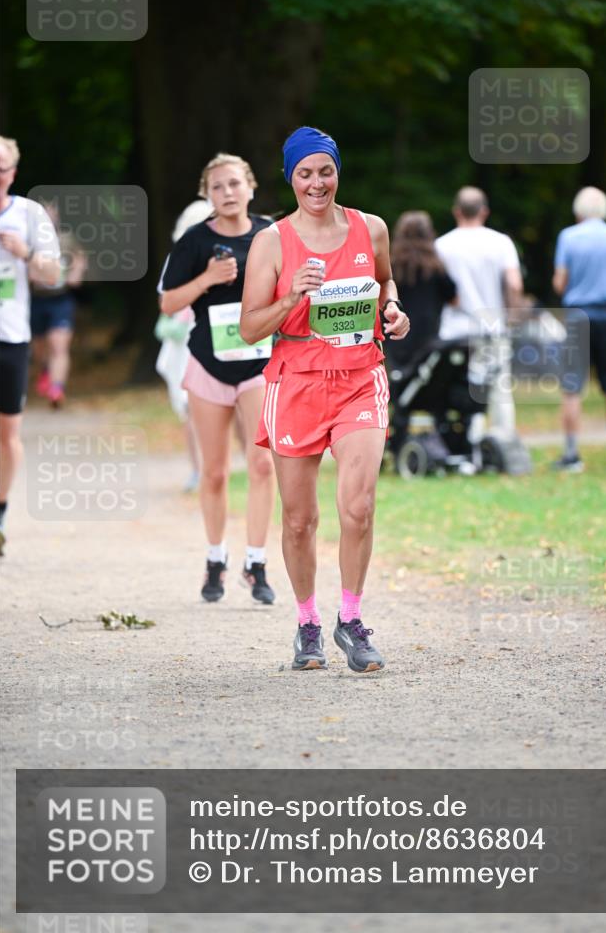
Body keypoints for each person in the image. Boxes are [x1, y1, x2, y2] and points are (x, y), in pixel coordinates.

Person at [240, 126, 410, 673]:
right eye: (305, 173)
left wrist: (394, 311)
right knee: (298, 520)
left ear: (338, 172)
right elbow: (249, 328)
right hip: (295, 382)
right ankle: (308, 623)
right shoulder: (271, 242)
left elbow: (386, 284)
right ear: (290, 178)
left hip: (360, 375)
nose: (317, 183)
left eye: (326, 171)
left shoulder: (371, 228)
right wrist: (292, 295)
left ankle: (351, 621)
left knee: (358, 507)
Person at [159, 153, 276, 604]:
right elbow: (168, 304)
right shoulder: (194, 240)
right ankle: (215, 558)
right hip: (209, 365)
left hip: (259, 363)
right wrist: (207, 278)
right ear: (207, 195)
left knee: (262, 464)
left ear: (251, 187)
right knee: (214, 472)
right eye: (217, 187)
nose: (227, 193)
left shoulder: (271, 234)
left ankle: (256, 562)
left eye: (234, 184)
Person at [0, 134, 61, 557]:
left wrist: (24, 253)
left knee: (7, 432)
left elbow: (53, 274)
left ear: (12, 173)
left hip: (9, 336)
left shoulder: (28, 214)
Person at [552, 186, 606, 473]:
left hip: (578, 316)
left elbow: (560, 283)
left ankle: (572, 455)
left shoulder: (568, 237)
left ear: (578, 211)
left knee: (572, 389)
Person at [434, 187, 523, 437]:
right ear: (484, 211)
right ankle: (503, 441)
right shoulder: (501, 242)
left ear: (456, 212)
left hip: (455, 332)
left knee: (464, 390)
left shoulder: (442, 246)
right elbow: (515, 284)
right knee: (499, 390)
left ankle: (468, 441)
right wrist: (512, 316)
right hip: (493, 328)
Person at [386, 211, 456, 452]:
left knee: (399, 393)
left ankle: (396, 440)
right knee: (429, 389)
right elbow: (453, 297)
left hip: (396, 341)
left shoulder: (392, 266)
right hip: (428, 343)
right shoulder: (435, 267)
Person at [155, 199, 212, 492]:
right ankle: (199, 470)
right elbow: (166, 301)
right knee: (190, 404)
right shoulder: (179, 258)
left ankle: (210, 469)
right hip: (186, 341)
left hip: (213, 338)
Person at [30, 200, 87, 408]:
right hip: (36, 300)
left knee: (59, 346)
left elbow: (80, 258)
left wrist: (76, 274)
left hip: (61, 300)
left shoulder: (66, 238)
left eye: (51, 214)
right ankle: (45, 370)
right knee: (39, 349)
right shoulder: (29, 240)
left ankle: (57, 389)